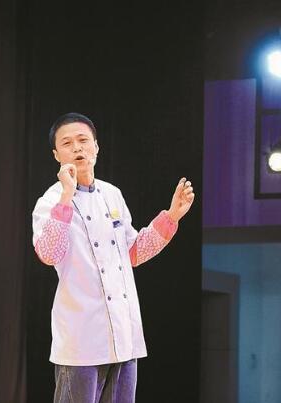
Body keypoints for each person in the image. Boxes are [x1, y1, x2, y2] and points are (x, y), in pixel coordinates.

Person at [32, 112, 194, 403]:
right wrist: (66, 196)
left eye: (83, 140)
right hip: (81, 339)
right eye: (67, 143)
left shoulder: (112, 194)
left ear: (96, 146)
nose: (77, 148)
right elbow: (48, 253)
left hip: (124, 333)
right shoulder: (50, 200)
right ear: (56, 155)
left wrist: (171, 216)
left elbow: (134, 252)